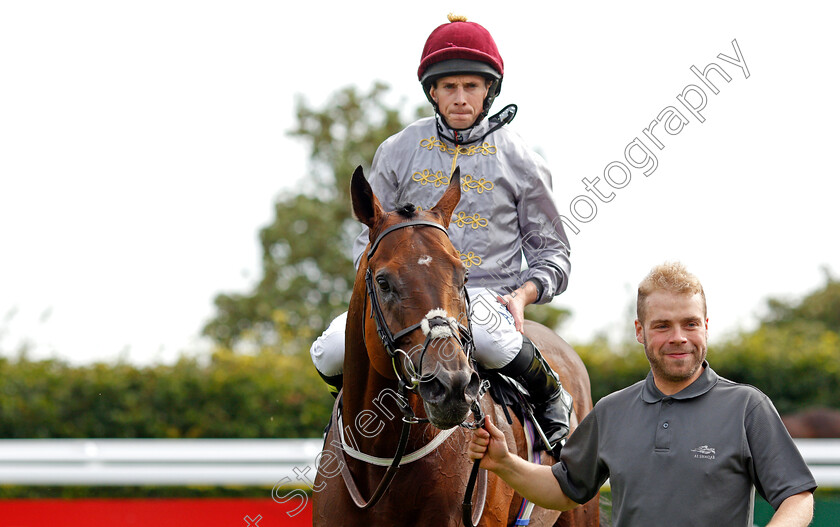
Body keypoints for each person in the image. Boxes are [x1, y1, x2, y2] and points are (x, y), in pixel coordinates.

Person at [310, 14, 574, 455]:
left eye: (471, 86)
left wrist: (523, 296)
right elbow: (368, 242)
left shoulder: (522, 159)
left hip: (487, 296)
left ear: (489, 90)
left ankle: (552, 401)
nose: (460, 97)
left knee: (489, 338)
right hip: (409, 299)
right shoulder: (397, 150)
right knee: (331, 350)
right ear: (432, 91)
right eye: (449, 87)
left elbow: (554, 255)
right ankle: (350, 421)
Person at [468, 262, 817, 526]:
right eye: (662, 325)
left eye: (690, 323)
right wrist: (504, 463)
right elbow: (564, 490)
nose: (679, 337)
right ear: (640, 331)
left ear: (706, 327)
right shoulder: (612, 411)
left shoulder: (747, 407)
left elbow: (797, 496)